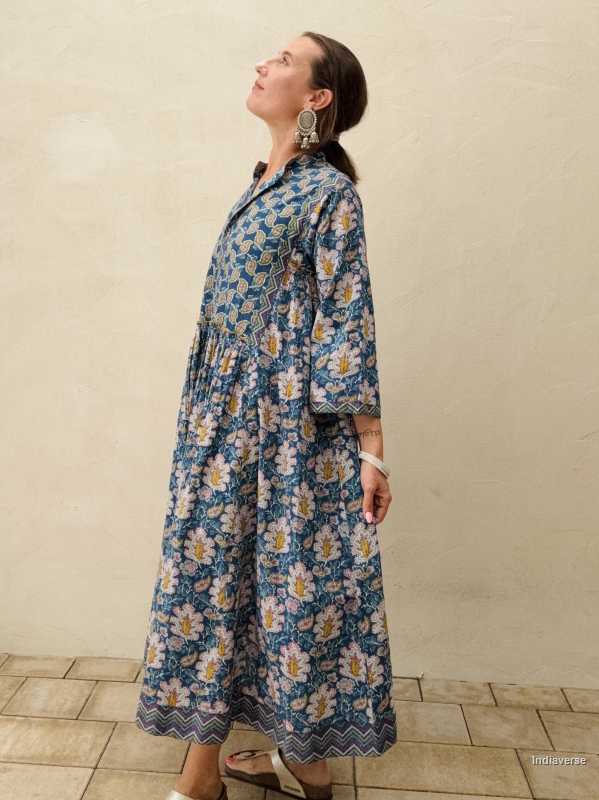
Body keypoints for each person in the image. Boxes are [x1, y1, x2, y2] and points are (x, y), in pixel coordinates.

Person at [135, 31, 396, 800]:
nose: (262, 65)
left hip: (286, 431)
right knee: (214, 582)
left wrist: (372, 447)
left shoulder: (325, 193)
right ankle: (216, 770)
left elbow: (345, 318)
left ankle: (278, 765)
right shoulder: (263, 183)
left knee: (287, 590)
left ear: (316, 99)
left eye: (283, 62)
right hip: (221, 426)